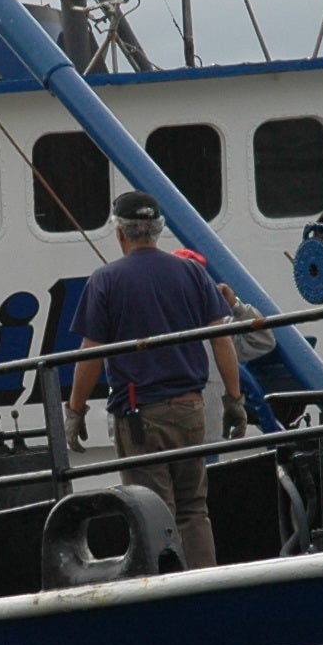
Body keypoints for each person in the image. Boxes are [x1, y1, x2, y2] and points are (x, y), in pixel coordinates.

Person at [64, 192, 246, 570]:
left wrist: (75, 411)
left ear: (120, 234)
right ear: (158, 230)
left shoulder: (105, 280)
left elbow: (90, 355)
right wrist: (234, 399)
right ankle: (204, 586)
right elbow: (221, 339)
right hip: (190, 408)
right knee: (194, 509)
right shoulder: (193, 272)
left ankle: (167, 593)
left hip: (140, 415)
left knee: (152, 511)